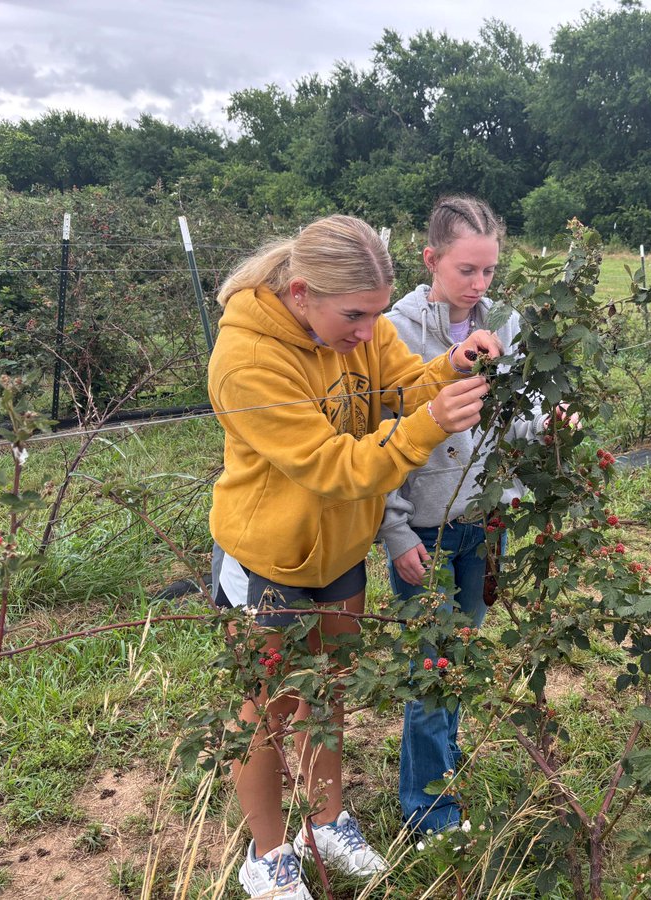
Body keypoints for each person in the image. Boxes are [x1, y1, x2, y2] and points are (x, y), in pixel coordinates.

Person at [207, 214, 502, 899]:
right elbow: (332, 466)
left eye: (375, 314)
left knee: (327, 689)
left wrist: (448, 368)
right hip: (267, 559)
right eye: (354, 316)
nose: (367, 332)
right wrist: (427, 427)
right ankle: (269, 854)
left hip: (338, 551)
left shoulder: (361, 329)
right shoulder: (247, 359)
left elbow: (398, 384)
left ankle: (328, 820)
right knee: (266, 706)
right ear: (302, 292)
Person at [377, 196, 539, 835]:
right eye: (466, 271)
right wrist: (393, 531)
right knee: (432, 667)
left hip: (484, 521)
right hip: (423, 528)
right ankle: (431, 812)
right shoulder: (393, 331)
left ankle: (441, 764)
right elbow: (381, 435)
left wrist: (552, 428)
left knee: (460, 655)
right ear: (431, 260)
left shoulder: (506, 323)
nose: (479, 286)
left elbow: (518, 415)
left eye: (489, 272)